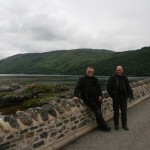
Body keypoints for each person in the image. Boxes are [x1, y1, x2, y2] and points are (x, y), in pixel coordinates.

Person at [74, 66, 111, 132]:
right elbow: (77, 88)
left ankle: (100, 126)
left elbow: (99, 88)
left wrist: (100, 95)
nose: (90, 73)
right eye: (89, 71)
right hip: (88, 99)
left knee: (98, 112)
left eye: (91, 72)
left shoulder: (95, 79)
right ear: (86, 72)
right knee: (98, 111)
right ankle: (105, 126)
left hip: (97, 98)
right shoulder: (82, 79)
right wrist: (76, 95)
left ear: (93, 72)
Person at [107, 66, 134, 131]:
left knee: (124, 112)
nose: (119, 71)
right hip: (116, 98)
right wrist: (112, 96)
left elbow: (128, 86)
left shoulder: (124, 77)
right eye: (117, 70)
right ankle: (116, 125)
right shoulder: (112, 78)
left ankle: (124, 124)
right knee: (116, 112)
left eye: (120, 70)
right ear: (116, 70)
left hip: (123, 98)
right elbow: (108, 87)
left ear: (122, 70)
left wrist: (128, 94)